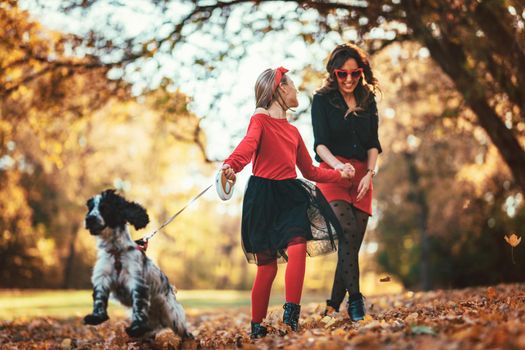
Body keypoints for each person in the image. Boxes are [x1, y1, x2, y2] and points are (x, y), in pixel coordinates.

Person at [221, 67, 352, 338]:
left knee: (297, 245)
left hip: (291, 196)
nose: (296, 91)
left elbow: (311, 171)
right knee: (267, 269)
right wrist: (231, 165)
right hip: (263, 198)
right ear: (281, 88)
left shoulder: (293, 133)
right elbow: (248, 144)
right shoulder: (259, 119)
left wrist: (339, 174)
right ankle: (257, 328)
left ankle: (290, 317)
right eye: (292, 85)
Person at [311, 43, 382, 321]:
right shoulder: (321, 100)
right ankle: (356, 302)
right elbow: (319, 145)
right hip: (333, 174)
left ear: (361, 72)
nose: (349, 79)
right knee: (348, 231)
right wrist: (338, 166)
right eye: (343, 74)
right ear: (334, 73)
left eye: (355, 73)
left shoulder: (368, 99)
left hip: (363, 177)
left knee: (350, 245)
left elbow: (374, 144)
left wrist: (370, 173)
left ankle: (332, 306)